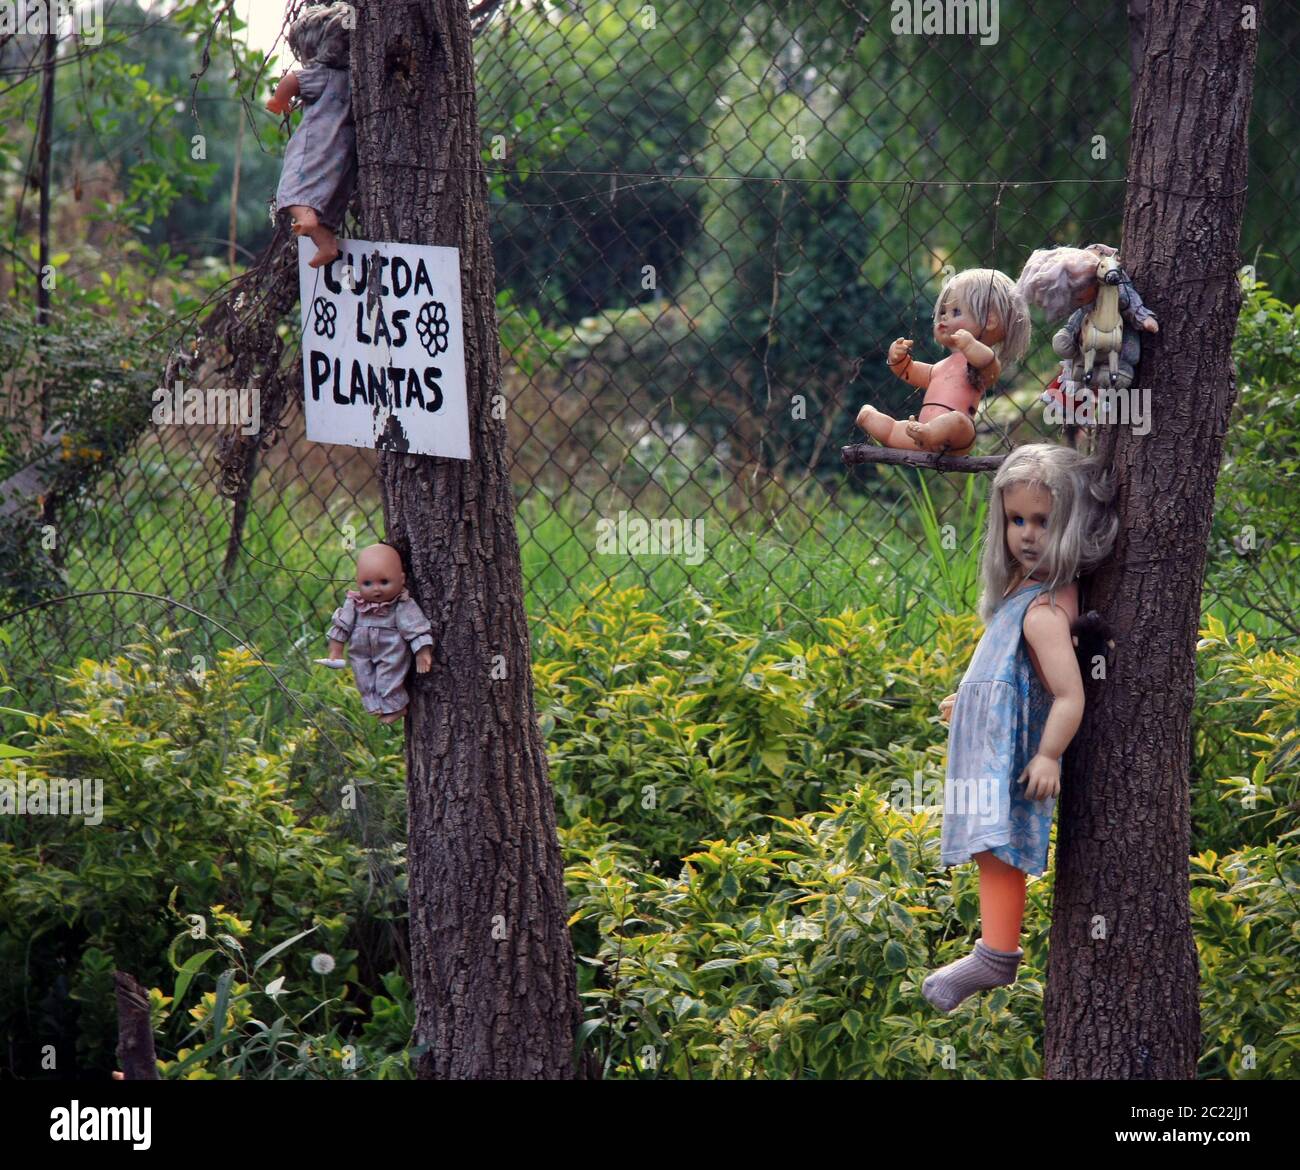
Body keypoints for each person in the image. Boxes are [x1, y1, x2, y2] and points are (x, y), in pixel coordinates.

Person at [921, 443, 1117, 1012]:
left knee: (997, 848)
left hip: (1013, 760)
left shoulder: (1045, 613)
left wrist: (1050, 755)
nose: (1027, 534)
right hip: (989, 742)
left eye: (1043, 520)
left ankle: (996, 954)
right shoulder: (1024, 596)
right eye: (1016, 520)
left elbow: (1067, 694)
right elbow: (1008, 669)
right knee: (987, 847)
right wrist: (970, 701)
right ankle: (993, 948)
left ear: (1072, 524)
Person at [856, 268, 1030, 456]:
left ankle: (930, 434)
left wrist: (970, 344)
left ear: (989, 320)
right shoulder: (940, 367)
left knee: (957, 420)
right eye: (942, 312)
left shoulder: (982, 364)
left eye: (955, 311)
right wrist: (897, 358)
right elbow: (910, 371)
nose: (944, 317)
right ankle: (869, 417)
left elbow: (987, 363)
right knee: (893, 429)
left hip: (956, 437)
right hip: (921, 432)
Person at [267, 2, 357, 269]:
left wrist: (279, 101)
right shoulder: (354, 78)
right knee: (328, 205)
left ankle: (306, 218)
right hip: (344, 154)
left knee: (291, 188)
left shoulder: (323, 74)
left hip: (315, 145)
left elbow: (292, 80)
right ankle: (326, 243)